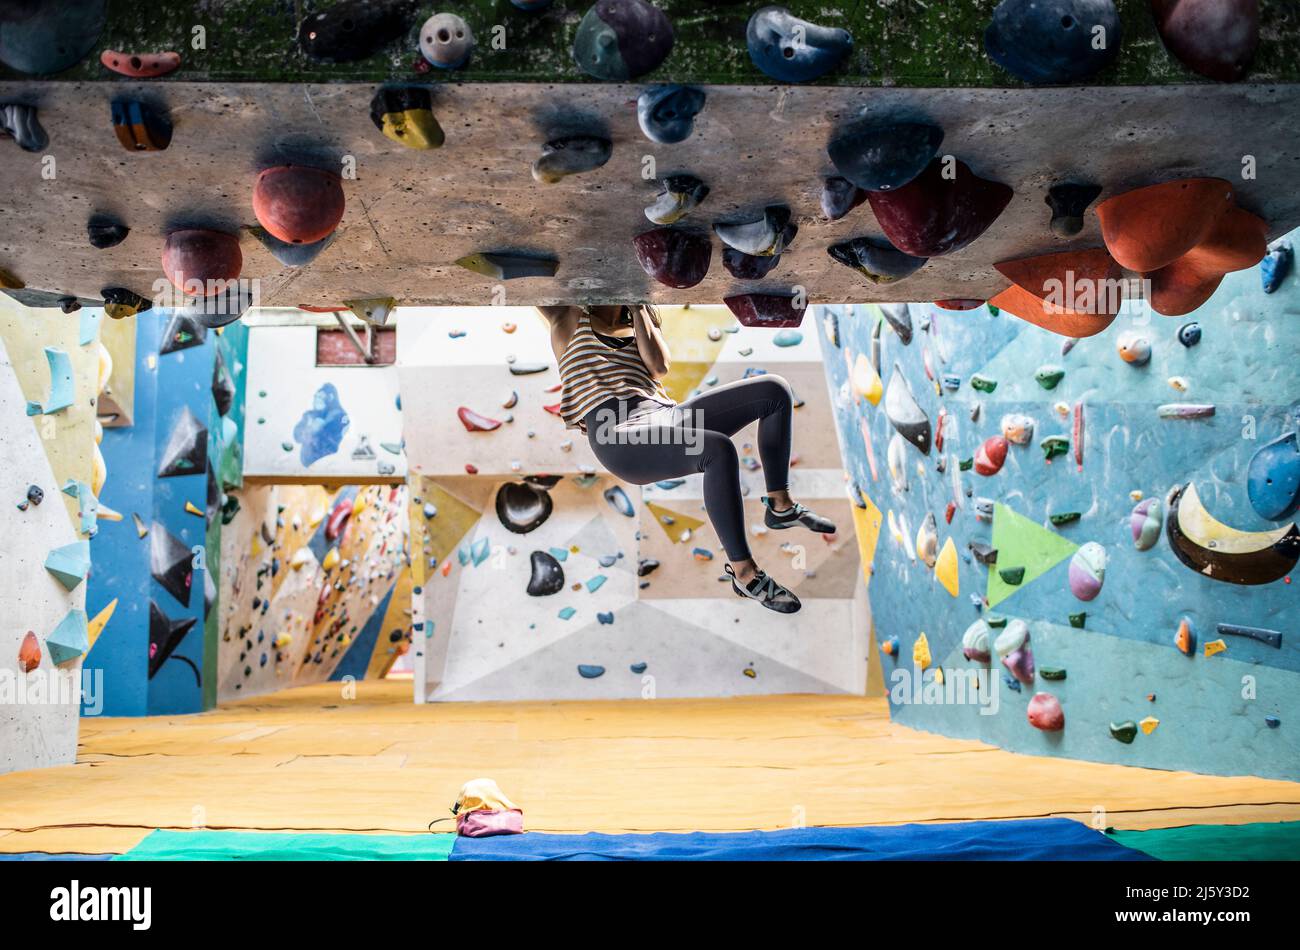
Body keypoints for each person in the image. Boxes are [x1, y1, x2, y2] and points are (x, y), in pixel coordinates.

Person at [539, 303, 835, 613]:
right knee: (716, 449)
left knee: (773, 392)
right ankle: (745, 573)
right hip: (618, 435)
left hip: (663, 415)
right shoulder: (567, 317)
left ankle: (780, 506)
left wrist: (638, 306)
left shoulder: (640, 320)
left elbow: (658, 368)